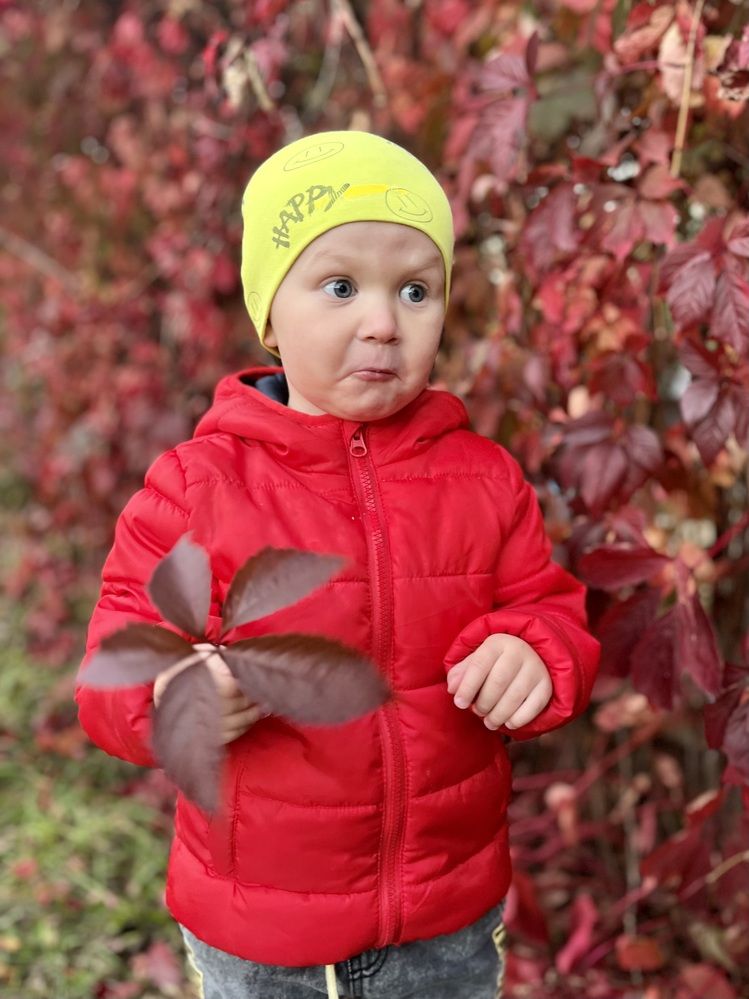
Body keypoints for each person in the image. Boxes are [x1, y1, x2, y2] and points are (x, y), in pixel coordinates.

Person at [76, 130, 600, 999]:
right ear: (270, 313)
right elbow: (113, 668)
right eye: (341, 285)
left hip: (446, 919)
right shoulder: (198, 488)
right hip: (262, 932)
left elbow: (551, 613)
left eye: (415, 290)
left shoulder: (483, 479)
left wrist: (534, 652)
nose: (382, 322)